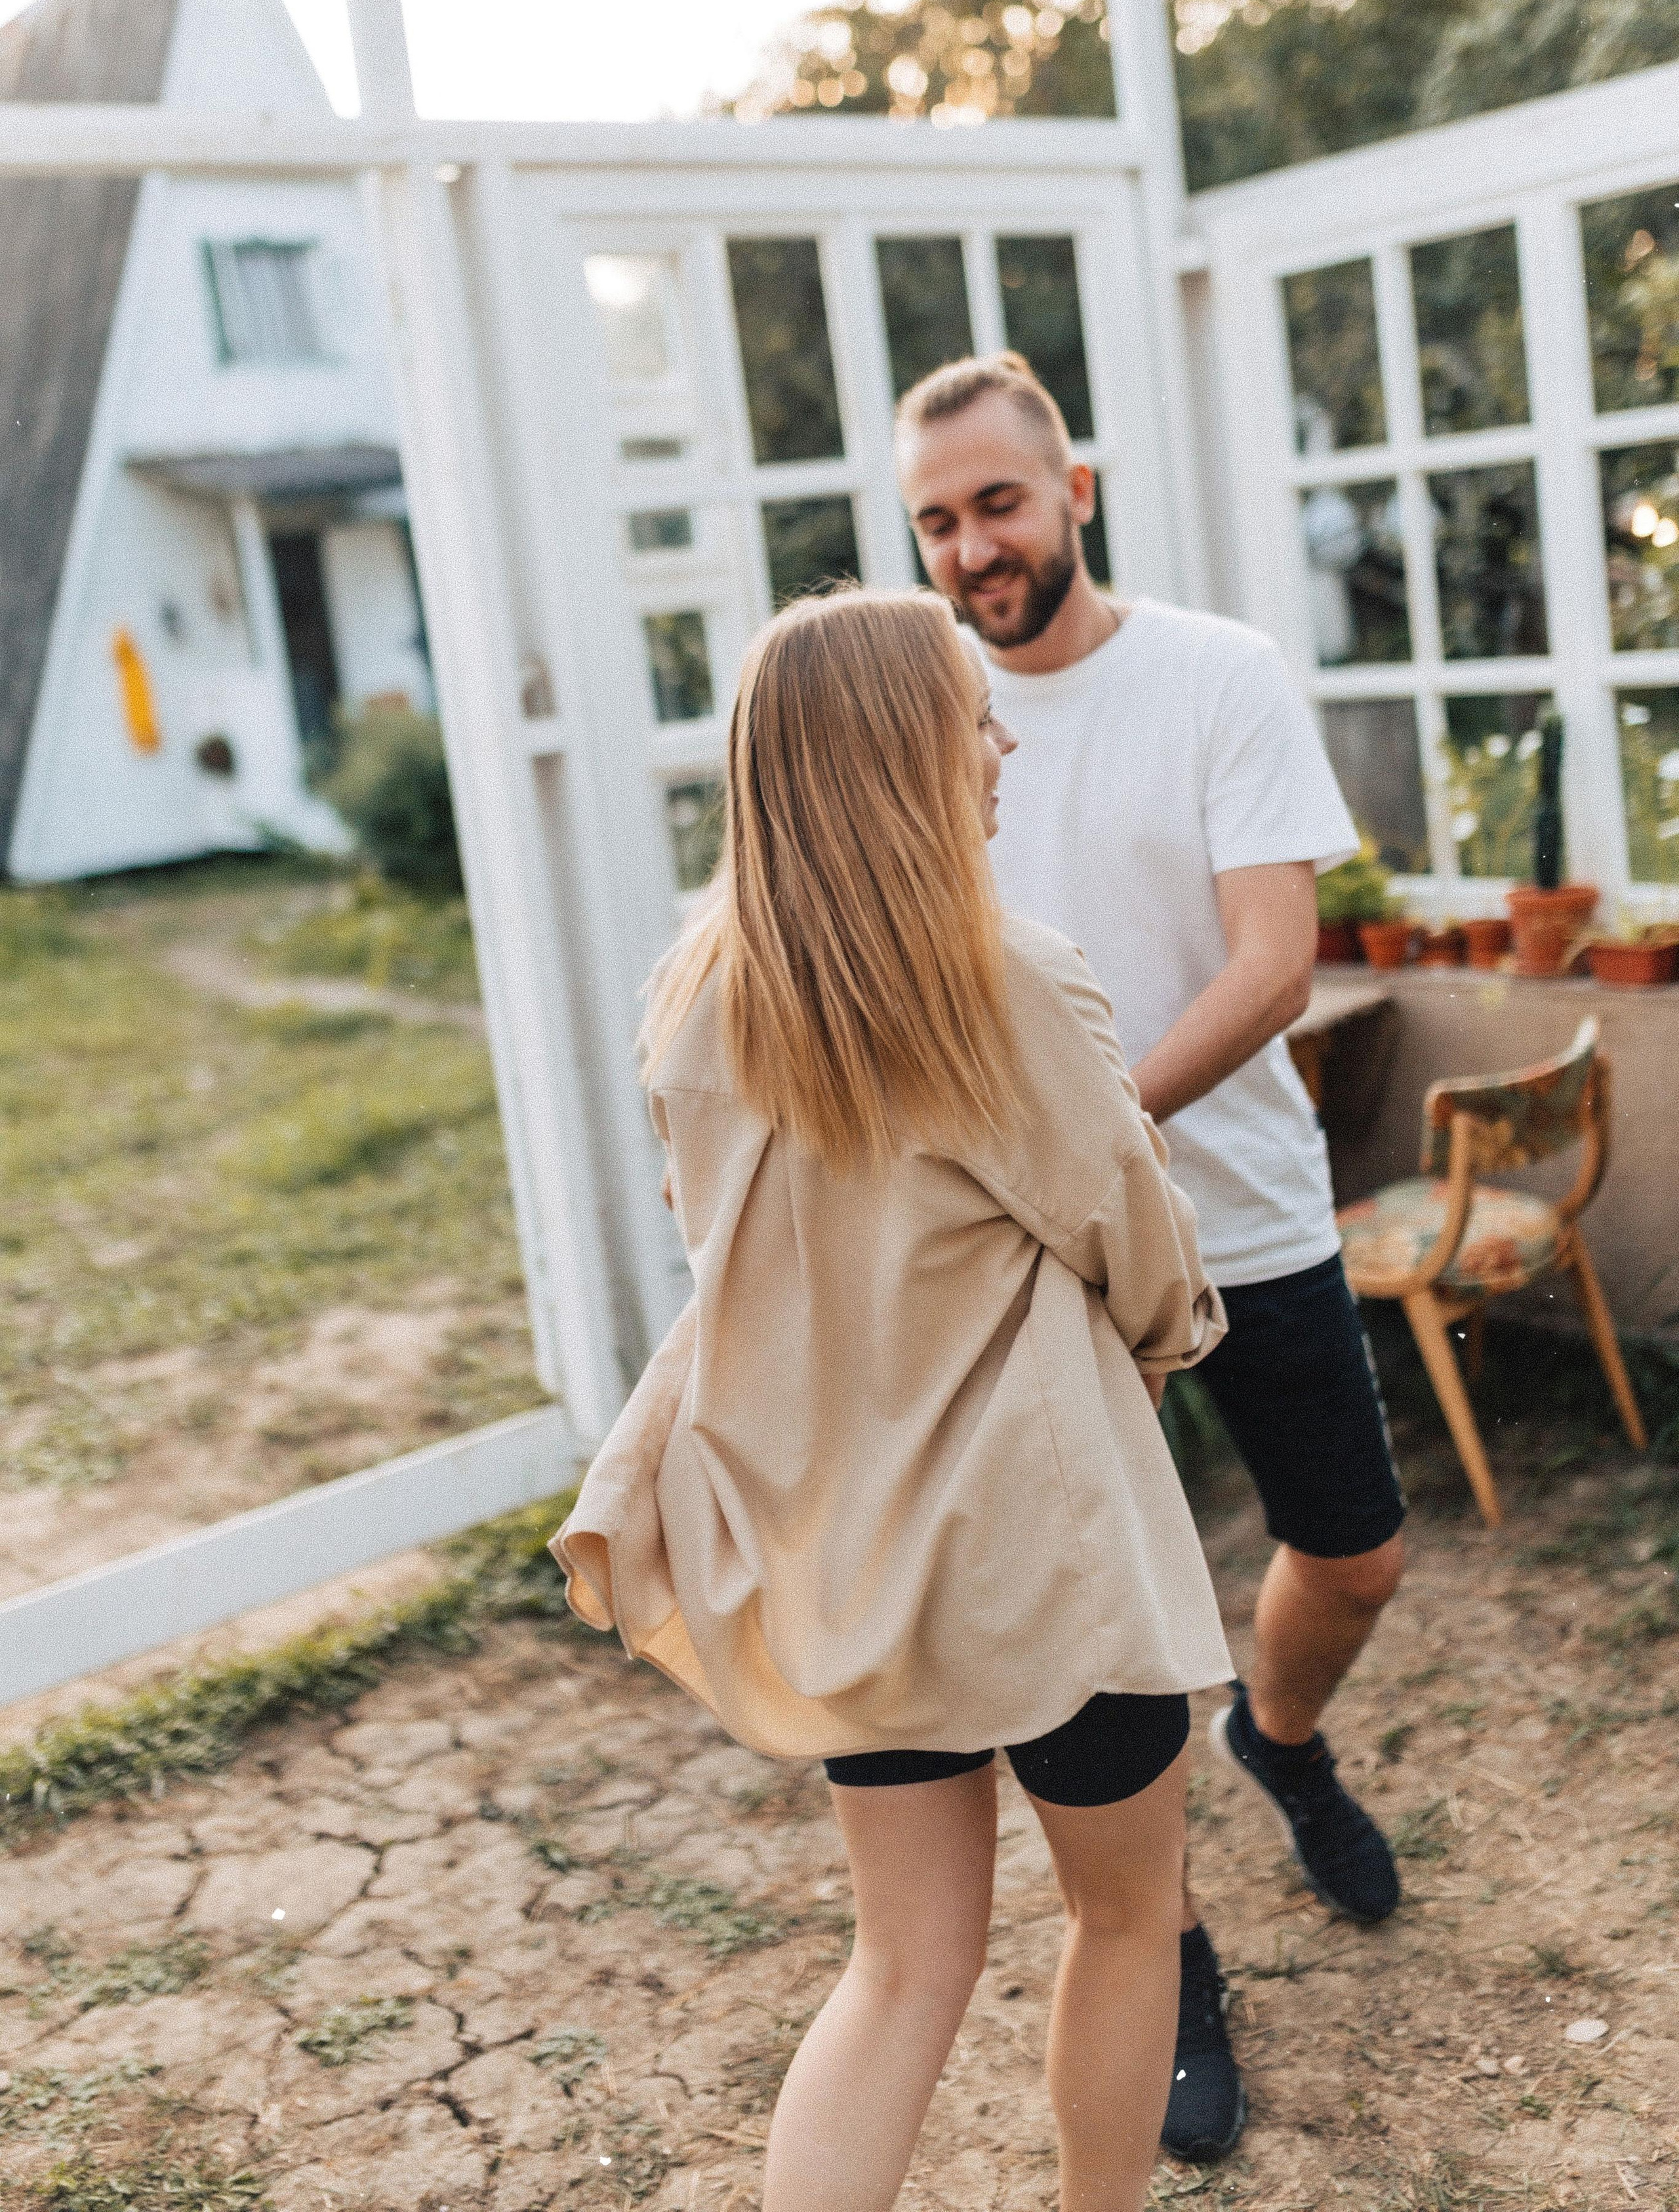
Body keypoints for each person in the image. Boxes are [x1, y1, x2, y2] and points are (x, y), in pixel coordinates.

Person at [557, 586, 1234, 2212]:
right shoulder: (1008, 979)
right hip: (1042, 1551)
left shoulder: (695, 1000)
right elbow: (1131, 1236)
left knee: (899, 1968)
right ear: (901, 752)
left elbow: (722, 1248)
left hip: (839, 1555)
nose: (1000, 746)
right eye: (972, 717)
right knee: (1125, 1917)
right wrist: (1160, 1342)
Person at [897, 353, 1407, 2165]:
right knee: (1115, 1645)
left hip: (1242, 1212)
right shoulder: (921, 713)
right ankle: (1164, 1953)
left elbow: (1272, 964)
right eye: (937, 521)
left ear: (1076, 491)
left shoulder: (1215, 674)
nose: (973, 548)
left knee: (1353, 1557)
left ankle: (1284, 1737)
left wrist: (1096, 1126)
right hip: (1027, 1268)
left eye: (998, 503)